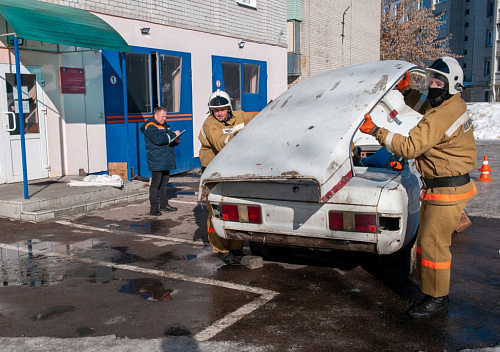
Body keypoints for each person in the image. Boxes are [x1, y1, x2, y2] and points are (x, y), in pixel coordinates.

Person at [359, 57, 477, 319]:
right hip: (445, 187)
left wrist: (376, 130)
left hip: (446, 190)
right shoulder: (451, 104)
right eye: (430, 79)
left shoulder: (444, 114)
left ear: (452, 84)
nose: (432, 85)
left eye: (438, 81)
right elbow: (429, 109)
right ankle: (432, 290)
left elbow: (410, 147)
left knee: (434, 245)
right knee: (428, 242)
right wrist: (407, 92)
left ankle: (437, 298)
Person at [198, 89, 258, 264]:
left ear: (229, 108)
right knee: (216, 212)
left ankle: (236, 247)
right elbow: (220, 143)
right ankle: (220, 249)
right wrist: (237, 137)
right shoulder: (210, 124)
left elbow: (257, 118)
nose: (220, 113)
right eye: (216, 111)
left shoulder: (239, 116)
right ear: (211, 111)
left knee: (237, 209)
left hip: (233, 170)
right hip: (213, 172)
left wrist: (270, 110)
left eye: (223, 109)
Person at [141, 106, 181, 216]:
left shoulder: (164, 125)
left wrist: (176, 140)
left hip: (166, 159)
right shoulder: (150, 126)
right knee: (155, 184)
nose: (164, 118)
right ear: (156, 115)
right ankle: (154, 207)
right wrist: (173, 134)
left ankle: (164, 205)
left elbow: (167, 140)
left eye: (165, 116)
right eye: (162, 116)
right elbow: (159, 140)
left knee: (164, 184)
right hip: (157, 160)